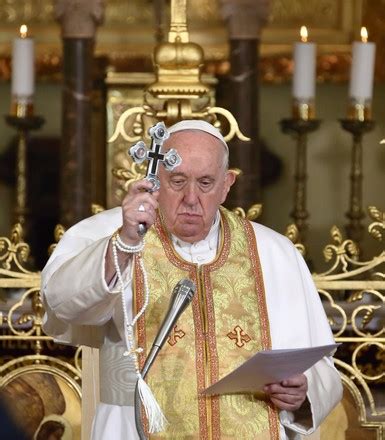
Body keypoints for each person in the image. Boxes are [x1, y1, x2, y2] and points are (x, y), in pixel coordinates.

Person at [41, 120, 342, 440]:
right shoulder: (110, 234)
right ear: (155, 179)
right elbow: (61, 305)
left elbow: (318, 365)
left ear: (227, 185)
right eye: (178, 180)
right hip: (134, 429)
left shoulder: (274, 253)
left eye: (206, 182)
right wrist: (124, 244)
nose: (191, 198)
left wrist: (302, 392)